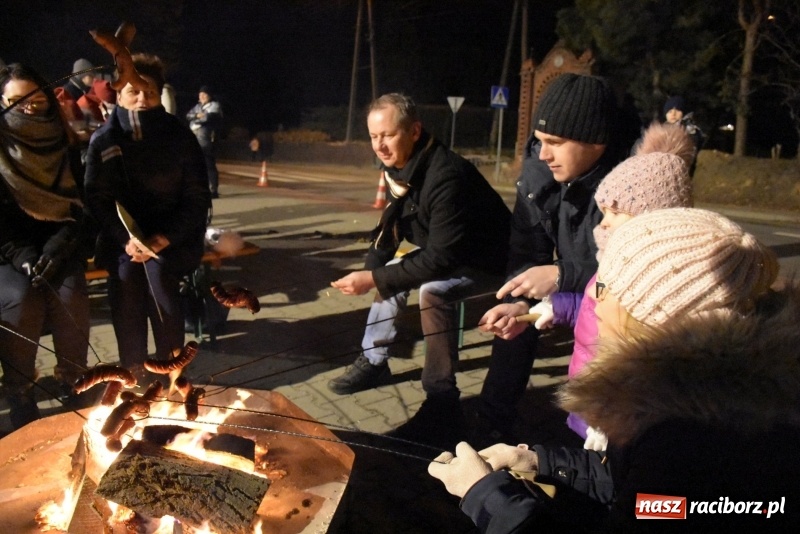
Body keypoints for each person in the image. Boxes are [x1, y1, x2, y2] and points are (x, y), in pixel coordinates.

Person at [429, 208, 799, 532]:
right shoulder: (693, 412)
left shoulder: (689, 445)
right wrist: (539, 460)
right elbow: (649, 503)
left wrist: (486, 497)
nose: (592, 299)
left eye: (604, 286)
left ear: (653, 313)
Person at [327, 93, 511, 448]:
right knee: (392, 269)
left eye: (388, 135)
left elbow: (440, 258)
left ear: (414, 131)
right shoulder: (403, 169)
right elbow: (390, 228)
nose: (379, 145)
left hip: (489, 260)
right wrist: (371, 272)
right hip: (453, 253)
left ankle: (442, 404)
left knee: (432, 290)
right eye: (373, 137)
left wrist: (374, 279)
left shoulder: (445, 175)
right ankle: (374, 360)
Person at [474, 73, 624, 446]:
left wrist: (563, 274)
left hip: (616, 310)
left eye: (555, 143)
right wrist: (521, 305)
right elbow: (526, 254)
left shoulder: (628, 189)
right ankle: (492, 427)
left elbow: (633, 275)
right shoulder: (538, 178)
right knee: (511, 322)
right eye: (539, 141)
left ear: (596, 141)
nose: (542, 154)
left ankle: (594, 449)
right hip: (574, 290)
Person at [528, 121, 695, 444]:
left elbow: (654, 369)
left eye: (614, 214)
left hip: (618, 425)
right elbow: (594, 306)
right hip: (588, 413)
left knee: (606, 488)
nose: (602, 225)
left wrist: (618, 420)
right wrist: (557, 307)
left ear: (652, 220)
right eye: (602, 212)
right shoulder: (611, 265)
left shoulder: (659, 286)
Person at [84, 54, 210, 379]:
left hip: (173, 236)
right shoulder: (105, 140)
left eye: (149, 91)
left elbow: (197, 199)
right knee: (125, 279)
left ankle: (172, 371)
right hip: (122, 240)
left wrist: (165, 236)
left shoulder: (180, 137)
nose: (142, 99)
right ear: (118, 94)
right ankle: (132, 371)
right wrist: (126, 239)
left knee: (160, 275)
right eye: (133, 91)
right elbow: (96, 199)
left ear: (159, 94)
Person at [1, 63, 91, 428]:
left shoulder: (66, 142)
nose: (27, 105)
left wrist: (57, 249)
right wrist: (24, 258)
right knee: (21, 300)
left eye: (34, 97)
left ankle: (75, 381)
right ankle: (20, 390)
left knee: (70, 295)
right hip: (9, 251)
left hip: (60, 244)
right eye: (15, 99)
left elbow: (81, 208)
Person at [186, 85, 222, 198]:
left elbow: (207, 118)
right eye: (200, 95)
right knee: (195, 163)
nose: (202, 97)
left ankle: (213, 190)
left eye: (204, 95)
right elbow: (188, 116)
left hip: (206, 137)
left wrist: (196, 117)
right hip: (194, 136)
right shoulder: (197, 106)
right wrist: (197, 115)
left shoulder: (214, 105)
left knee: (208, 163)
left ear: (209, 96)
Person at [662, 95, 705, 176]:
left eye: (677, 110)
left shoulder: (691, 130)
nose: (673, 114)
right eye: (670, 111)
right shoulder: (660, 130)